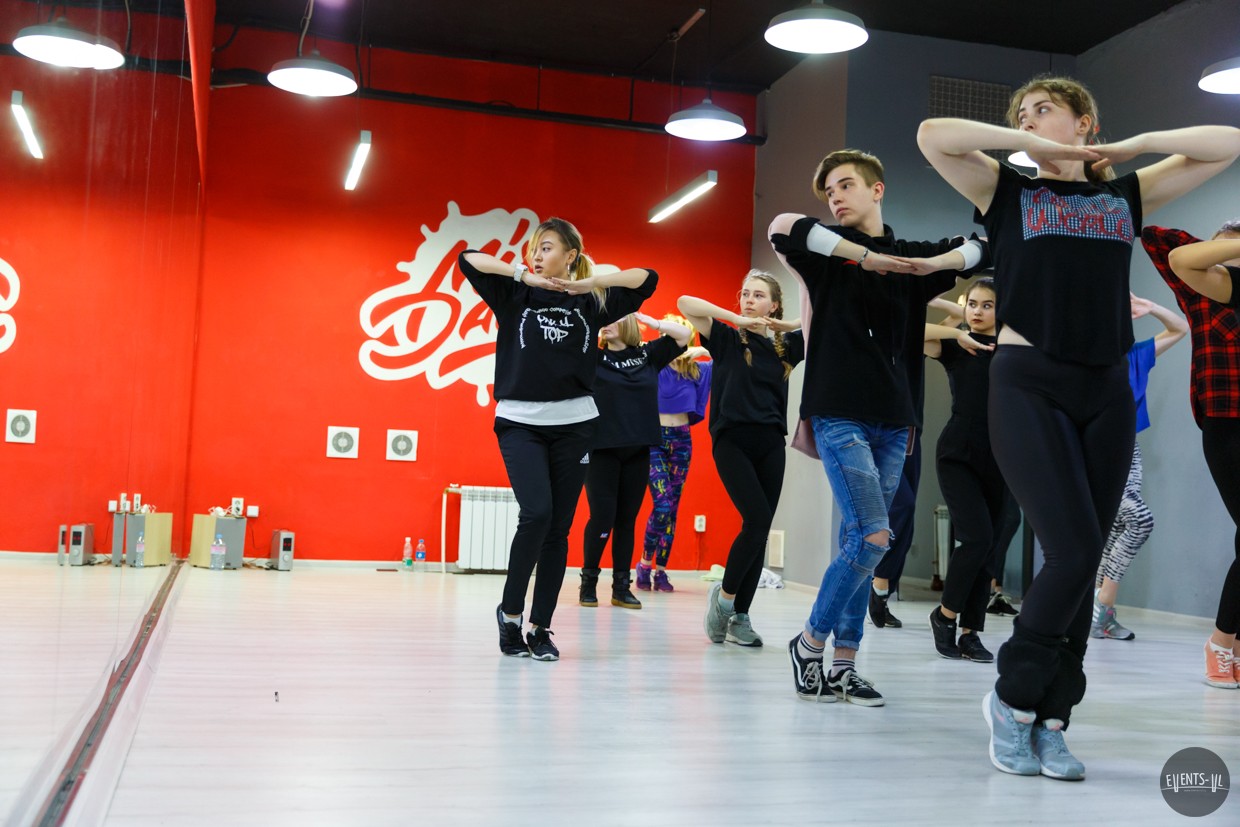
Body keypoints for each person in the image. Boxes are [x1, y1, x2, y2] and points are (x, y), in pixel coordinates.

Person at [918, 75, 1240, 779]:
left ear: (1084, 121)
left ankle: (1054, 716)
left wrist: (1136, 145)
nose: (1030, 120)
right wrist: (1025, 139)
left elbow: (1227, 143)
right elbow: (933, 135)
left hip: (1106, 388)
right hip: (1028, 381)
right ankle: (1012, 697)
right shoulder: (1007, 191)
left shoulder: (1123, 195)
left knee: (1085, 558)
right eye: (1022, 114)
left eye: (1045, 110)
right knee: (1071, 548)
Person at [769, 148, 988, 708]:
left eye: (845, 185)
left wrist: (931, 267)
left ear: (877, 189)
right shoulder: (824, 256)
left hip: (895, 420)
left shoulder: (912, 259)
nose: (836, 197)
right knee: (872, 536)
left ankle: (845, 666)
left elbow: (984, 247)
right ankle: (809, 643)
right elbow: (783, 226)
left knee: (860, 541)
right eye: (829, 191)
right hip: (838, 412)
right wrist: (865, 259)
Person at [458, 218, 657, 661]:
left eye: (546, 247)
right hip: (520, 422)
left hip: (576, 426)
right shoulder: (514, 294)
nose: (536, 254)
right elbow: (468, 259)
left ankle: (540, 627)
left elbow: (647, 278)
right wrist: (521, 274)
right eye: (534, 248)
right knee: (537, 514)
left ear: (570, 256)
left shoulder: (592, 303)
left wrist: (590, 283)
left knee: (558, 530)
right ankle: (510, 614)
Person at [677, 271, 803, 648]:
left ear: (774, 305)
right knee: (758, 519)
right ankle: (724, 600)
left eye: (758, 295)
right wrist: (736, 318)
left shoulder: (786, 347)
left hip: (771, 442)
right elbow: (685, 303)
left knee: (758, 530)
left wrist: (790, 325)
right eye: (745, 294)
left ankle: (740, 618)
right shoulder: (728, 337)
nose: (748, 299)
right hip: (731, 439)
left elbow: (826, 317)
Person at [1142, 221, 1240, 688]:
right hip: (1227, 421)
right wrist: (1225, 249)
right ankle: (1221, 642)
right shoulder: (1198, 293)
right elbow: (1157, 238)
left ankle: (1231, 643)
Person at [923, 277, 1011, 664]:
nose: (977, 311)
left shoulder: (1014, 349)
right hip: (958, 453)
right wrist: (955, 319)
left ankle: (971, 633)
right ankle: (944, 616)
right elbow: (912, 330)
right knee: (976, 539)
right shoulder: (956, 344)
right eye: (972, 304)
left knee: (990, 546)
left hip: (1003, 457)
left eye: (987, 305)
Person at [1091, 293, 1188, 640]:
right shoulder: (1081, 364)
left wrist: (1152, 308)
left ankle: (1099, 614)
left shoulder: (1134, 357)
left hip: (1128, 451)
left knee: (1119, 526)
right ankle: (1101, 605)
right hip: (1097, 452)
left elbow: (1180, 328)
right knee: (1139, 520)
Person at [580, 312, 689, 609]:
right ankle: (588, 582)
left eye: (613, 318)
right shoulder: (592, 356)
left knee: (626, 521)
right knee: (602, 518)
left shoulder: (648, 355)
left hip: (638, 450)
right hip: (602, 449)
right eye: (604, 318)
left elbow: (684, 335)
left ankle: (621, 588)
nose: (606, 323)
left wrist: (652, 323)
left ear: (628, 322)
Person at [638, 317, 712, 593]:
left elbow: (728, 358)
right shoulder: (653, 365)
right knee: (663, 505)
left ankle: (661, 570)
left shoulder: (697, 370)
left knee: (673, 509)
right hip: (654, 440)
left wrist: (702, 350)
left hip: (681, 440)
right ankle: (644, 564)